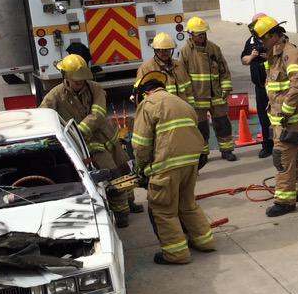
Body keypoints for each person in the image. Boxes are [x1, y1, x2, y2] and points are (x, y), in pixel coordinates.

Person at [41, 54, 140, 227]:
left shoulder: (95, 88)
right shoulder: (55, 96)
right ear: (66, 77)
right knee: (112, 175)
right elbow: (43, 116)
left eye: (83, 79)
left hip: (109, 137)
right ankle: (121, 213)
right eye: (77, 80)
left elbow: (99, 113)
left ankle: (130, 203)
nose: (81, 83)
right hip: (92, 146)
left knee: (125, 170)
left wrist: (78, 131)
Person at [130, 70, 216, 265]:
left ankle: (176, 254)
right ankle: (205, 241)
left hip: (167, 165)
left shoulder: (148, 105)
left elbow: (141, 145)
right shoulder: (181, 102)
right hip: (191, 163)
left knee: (163, 209)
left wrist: (140, 168)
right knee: (187, 204)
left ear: (143, 93)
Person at [253, 15, 298, 217]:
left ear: (274, 35)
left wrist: (285, 111)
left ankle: (284, 201)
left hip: (288, 120)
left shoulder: (289, 54)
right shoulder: (274, 55)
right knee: (294, 156)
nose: (262, 43)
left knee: (282, 159)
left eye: (263, 39)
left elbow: (297, 85)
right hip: (279, 120)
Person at [179, 16, 237, 162]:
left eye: (204, 33)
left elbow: (224, 71)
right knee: (201, 127)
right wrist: (188, 97)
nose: (202, 36)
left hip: (217, 95)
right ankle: (203, 154)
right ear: (191, 35)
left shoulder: (214, 49)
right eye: (199, 34)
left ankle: (227, 150)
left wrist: (226, 89)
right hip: (198, 97)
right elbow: (182, 76)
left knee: (222, 123)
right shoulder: (185, 52)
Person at [240, 14, 275, 159]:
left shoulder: (274, 39)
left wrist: (269, 56)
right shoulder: (251, 41)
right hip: (260, 87)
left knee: (277, 117)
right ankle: (266, 146)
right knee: (263, 117)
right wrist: (253, 56)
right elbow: (244, 60)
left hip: (275, 87)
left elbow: (284, 58)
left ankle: (280, 144)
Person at [137, 31, 192, 100]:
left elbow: (188, 89)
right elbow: (140, 95)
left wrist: (190, 107)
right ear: (155, 50)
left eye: (167, 50)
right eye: (161, 50)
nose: (164, 53)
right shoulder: (146, 69)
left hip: (181, 108)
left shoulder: (179, 65)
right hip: (161, 109)